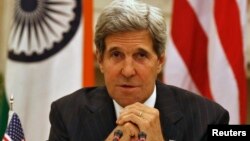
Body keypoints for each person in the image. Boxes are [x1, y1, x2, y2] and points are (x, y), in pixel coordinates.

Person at [48, 0, 229, 141]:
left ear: (160, 61)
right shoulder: (66, 113)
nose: (127, 71)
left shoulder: (209, 118)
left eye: (141, 55)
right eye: (116, 54)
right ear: (100, 60)